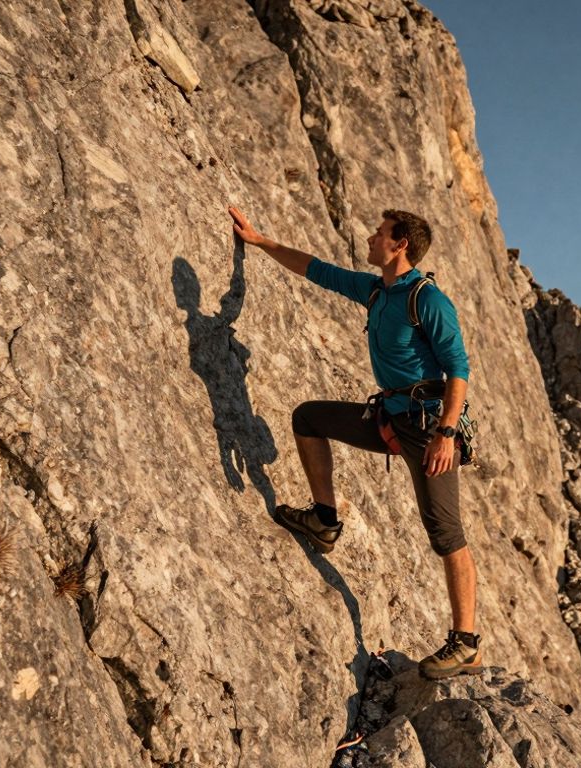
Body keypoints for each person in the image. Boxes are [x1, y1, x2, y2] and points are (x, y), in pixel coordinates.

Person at [228, 205, 481, 680]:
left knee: (446, 532)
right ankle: (324, 520)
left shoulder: (427, 299)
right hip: (390, 416)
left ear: (400, 244)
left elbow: (458, 369)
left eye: (379, 233)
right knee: (308, 418)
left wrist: (446, 433)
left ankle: (465, 643)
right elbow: (317, 270)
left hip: (428, 428)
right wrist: (260, 241)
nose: (369, 237)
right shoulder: (376, 290)